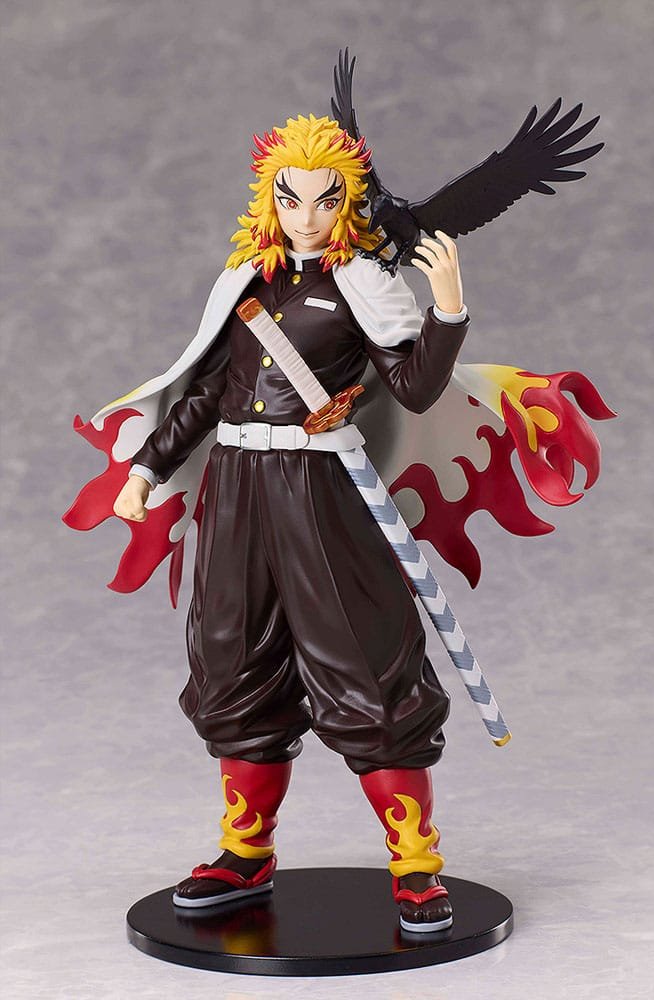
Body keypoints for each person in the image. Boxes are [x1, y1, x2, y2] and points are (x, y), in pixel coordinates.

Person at [110, 113, 470, 933]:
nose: (306, 215)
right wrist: (147, 468)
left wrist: (447, 311)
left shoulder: (363, 281)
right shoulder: (245, 277)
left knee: (364, 659)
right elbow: (206, 391)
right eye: (290, 197)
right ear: (267, 198)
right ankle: (245, 850)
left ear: (349, 203)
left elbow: (414, 390)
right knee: (230, 656)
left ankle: (415, 863)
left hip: (319, 489)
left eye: (324, 199)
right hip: (237, 485)